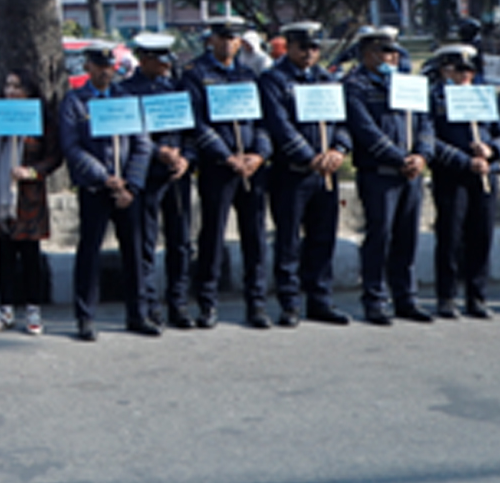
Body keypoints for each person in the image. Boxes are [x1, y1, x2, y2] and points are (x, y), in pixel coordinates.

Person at [60, 43, 158, 341]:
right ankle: (86, 316)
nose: (105, 72)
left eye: (109, 66)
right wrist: (106, 178)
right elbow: (72, 147)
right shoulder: (75, 102)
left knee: (135, 251)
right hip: (95, 188)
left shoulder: (126, 99)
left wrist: (131, 183)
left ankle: (138, 313)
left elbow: (142, 144)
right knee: (90, 252)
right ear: (87, 68)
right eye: (99, 66)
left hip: (128, 190)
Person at [258, 21, 352, 325]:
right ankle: (290, 303)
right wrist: (309, 156)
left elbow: (343, 123)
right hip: (293, 171)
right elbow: (279, 125)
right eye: (303, 47)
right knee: (288, 241)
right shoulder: (274, 80)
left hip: (326, 172)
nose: (310, 53)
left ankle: (320, 299)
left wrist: (338, 149)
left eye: (314, 47)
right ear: (289, 46)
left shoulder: (326, 80)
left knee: (322, 238)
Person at [185, 16, 272, 329]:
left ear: (240, 43)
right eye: (221, 38)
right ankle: (207, 304)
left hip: (251, 167)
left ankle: (257, 304)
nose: (227, 43)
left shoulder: (249, 76)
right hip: (218, 167)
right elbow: (196, 123)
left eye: (233, 38)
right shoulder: (196, 74)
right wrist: (225, 156)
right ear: (211, 40)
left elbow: (263, 122)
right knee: (212, 235)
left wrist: (259, 155)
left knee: (255, 237)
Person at [344, 26, 435, 324]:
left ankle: (406, 298)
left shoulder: (406, 84)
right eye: (385, 51)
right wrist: (400, 158)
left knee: (406, 238)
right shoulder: (355, 85)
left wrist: (421, 154)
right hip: (380, 172)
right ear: (368, 54)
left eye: (395, 51)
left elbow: (424, 123)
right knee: (379, 236)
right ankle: (375, 299)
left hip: (411, 174)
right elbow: (366, 130)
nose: (392, 57)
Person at [426, 44, 500, 319]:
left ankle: (477, 296)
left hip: (485, 174)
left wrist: (492, 150)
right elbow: (430, 140)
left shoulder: (483, 97)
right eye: (459, 69)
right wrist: (463, 160)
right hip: (452, 175)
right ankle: (447, 296)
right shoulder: (435, 99)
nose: (465, 75)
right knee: (451, 235)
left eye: (469, 69)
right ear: (444, 70)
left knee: (481, 235)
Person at [120, 33, 194, 328]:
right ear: (143, 59)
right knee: (145, 245)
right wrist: (157, 151)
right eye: (159, 60)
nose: (165, 66)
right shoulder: (126, 91)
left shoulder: (175, 88)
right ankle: (149, 306)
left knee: (180, 243)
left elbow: (190, 131)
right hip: (146, 175)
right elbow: (127, 133)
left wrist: (186, 157)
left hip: (176, 175)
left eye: (167, 60)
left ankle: (179, 304)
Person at [0, 70, 59, 336]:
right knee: (4, 254)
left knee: (30, 254)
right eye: (8, 85)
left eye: (17, 86)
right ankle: (5, 308)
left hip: (29, 197)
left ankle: (33, 308)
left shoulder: (41, 119)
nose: (11, 91)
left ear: (30, 90)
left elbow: (53, 156)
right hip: (0, 196)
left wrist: (32, 172)